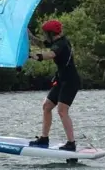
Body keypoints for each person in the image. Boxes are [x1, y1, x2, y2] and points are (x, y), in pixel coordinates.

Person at [27, 19, 81, 151]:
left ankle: (71, 143)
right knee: (46, 106)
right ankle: (44, 139)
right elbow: (40, 43)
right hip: (61, 80)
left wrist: (35, 56)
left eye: (46, 33)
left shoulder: (61, 44)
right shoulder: (55, 41)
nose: (45, 35)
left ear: (51, 33)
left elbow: (51, 54)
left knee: (62, 111)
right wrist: (27, 33)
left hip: (71, 81)